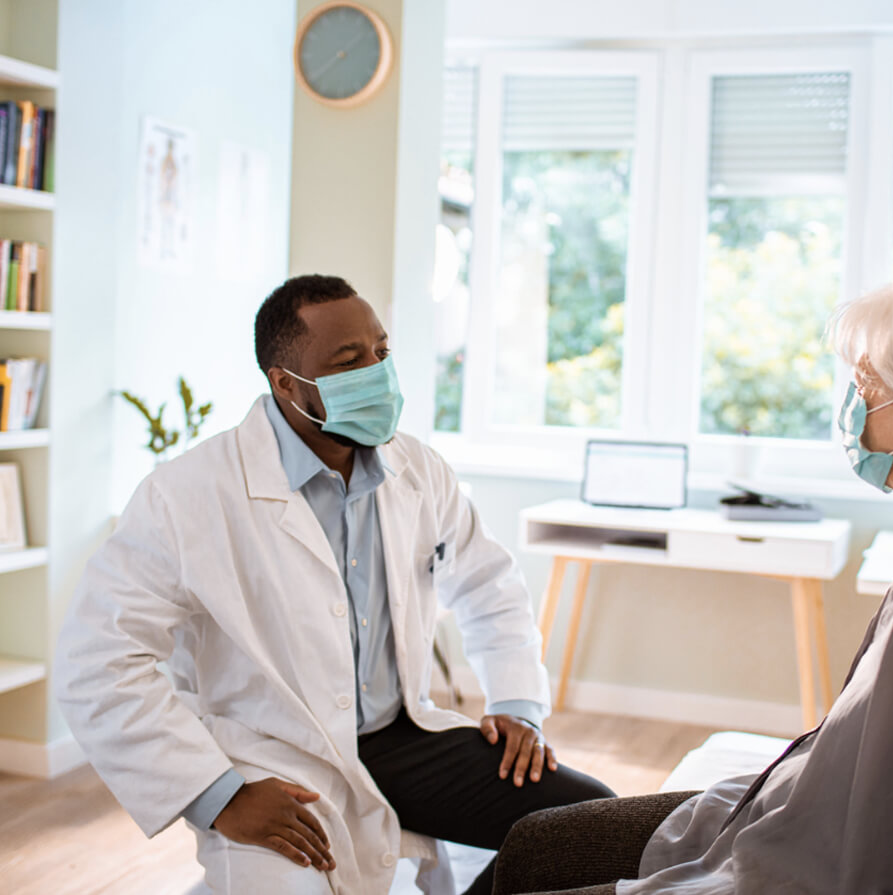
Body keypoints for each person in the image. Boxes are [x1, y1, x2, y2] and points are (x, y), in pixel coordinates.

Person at [489, 273, 893, 895]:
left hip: (823, 860)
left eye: (863, 384)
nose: (852, 407)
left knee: (535, 858)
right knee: (538, 843)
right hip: (807, 813)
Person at [55, 275, 614, 895]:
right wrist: (219, 795)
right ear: (287, 384)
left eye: (381, 352)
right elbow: (97, 662)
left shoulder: (417, 470)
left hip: (403, 740)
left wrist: (515, 704)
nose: (377, 372)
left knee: (595, 830)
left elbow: (488, 585)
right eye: (349, 362)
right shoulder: (186, 494)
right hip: (275, 756)